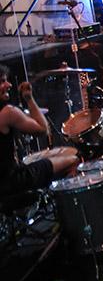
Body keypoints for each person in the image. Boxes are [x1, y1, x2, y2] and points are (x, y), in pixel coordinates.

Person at [0, 66, 79, 197]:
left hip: (5, 179)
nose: (9, 85)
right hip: (14, 180)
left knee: (64, 152)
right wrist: (29, 98)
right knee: (74, 157)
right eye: (2, 81)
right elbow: (43, 130)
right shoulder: (8, 113)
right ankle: (69, 208)